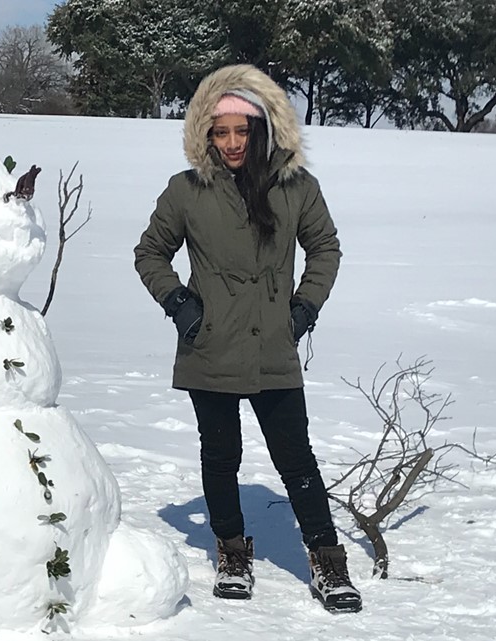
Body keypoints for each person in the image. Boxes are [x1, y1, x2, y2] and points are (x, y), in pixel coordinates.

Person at [133, 64, 361, 613]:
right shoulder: (186, 191)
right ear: (206, 135)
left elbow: (325, 248)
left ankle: (327, 561)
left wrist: (303, 308)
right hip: (209, 342)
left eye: (243, 131)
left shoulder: (297, 186)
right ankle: (232, 551)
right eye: (221, 131)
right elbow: (150, 253)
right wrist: (181, 306)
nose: (232, 143)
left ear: (263, 130)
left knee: (296, 458)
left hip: (272, 345)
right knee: (220, 454)